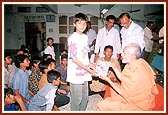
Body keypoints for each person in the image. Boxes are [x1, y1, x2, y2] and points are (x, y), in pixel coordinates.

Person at [96, 43, 158, 111]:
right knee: (114, 88)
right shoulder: (135, 62)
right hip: (131, 94)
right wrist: (114, 67)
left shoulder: (138, 74)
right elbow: (123, 78)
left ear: (133, 56)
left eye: (124, 53)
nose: (122, 54)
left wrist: (108, 80)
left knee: (102, 105)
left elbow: (123, 92)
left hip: (137, 104)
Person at [67, 13, 97, 111]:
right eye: (79, 23)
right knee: (77, 99)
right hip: (75, 73)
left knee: (85, 98)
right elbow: (74, 59)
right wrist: (88, 69)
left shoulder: (85, 37)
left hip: (84, 71)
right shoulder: (72, 39)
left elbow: (84, 56)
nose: (82, 26)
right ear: (74, 24)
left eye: (84, 23)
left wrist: (92, 65)